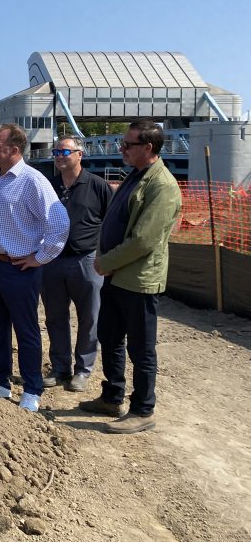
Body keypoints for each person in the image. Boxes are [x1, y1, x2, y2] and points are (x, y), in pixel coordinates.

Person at [81, 120, 182, 434]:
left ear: (148, 147)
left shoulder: (162, 186)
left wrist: (107, 262)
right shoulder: (135, 176)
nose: (121, 148)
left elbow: (144, 240)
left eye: (128, 144)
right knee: (110, 337)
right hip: (115, 275)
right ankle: (112, 397)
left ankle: (142, 409)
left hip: (138, 280)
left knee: (141, 348)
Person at [0, 124, 69, 412]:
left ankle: (32, 388)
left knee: (26, 331)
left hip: (19, 269)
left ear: (14, 150)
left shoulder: (32, 181)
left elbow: (59, 223)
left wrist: (40, 257)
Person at [41, 137, 113, 392]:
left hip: (87, 261)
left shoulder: (97, 186)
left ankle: (83, 370)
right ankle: (60, 368)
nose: (59, 156)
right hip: (52, 261)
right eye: (56, 152)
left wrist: (105, 257)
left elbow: (111, 223)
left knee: (89, 318)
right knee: (55, 317)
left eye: (65, 151)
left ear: (80, 154)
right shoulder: (49, 186)